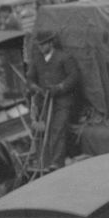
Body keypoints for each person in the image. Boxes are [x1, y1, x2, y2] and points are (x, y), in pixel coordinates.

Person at [29, 30, 81, 172]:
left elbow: (74, 76)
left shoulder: (64, 57)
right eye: (39, 45)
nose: (40, 48)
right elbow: (30, 79)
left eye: (43, 44)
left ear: (51, 43)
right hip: (45, 103)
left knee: (58, 128)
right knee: (46, 130)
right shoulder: (37, 60)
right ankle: (46, 163)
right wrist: (37, 89)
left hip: (62, 102)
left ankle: (57, 163)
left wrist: (59, 87)